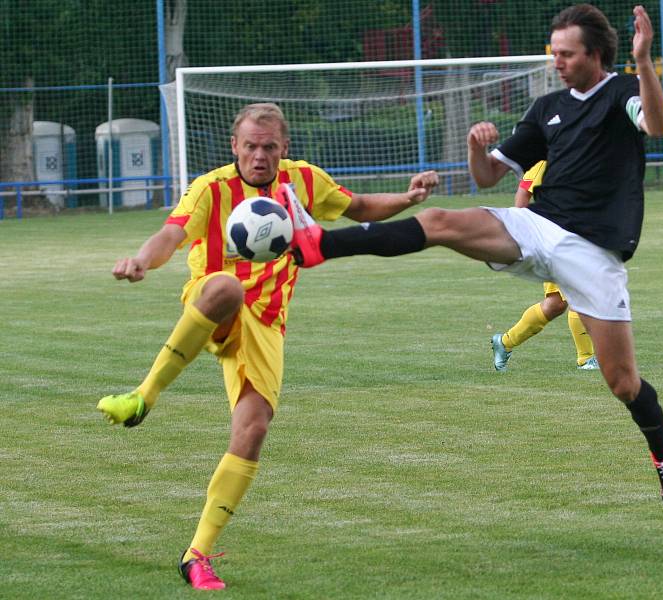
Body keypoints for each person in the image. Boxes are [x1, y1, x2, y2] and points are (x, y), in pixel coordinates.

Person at [285, 4, 663, 511]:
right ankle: (319, 244)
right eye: (553, 52)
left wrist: (645, 61)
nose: (557, 61)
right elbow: (487, 178)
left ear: (595, 54)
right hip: (539, 225)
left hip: (594, 253)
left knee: (623, 382)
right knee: (440, 223)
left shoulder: (623, 91)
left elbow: (656, 125)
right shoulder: (547, 107)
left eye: (566, 53)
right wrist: (478, 146)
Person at [96, 102, 438, 590]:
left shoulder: (301, 181)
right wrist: (141, 261)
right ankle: (143, 396)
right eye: (250, 146)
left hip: (267, 323)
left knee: (252, 431)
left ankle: (197, 554)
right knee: (227, 288)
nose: (259, 156)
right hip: (211, 303)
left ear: (285, 148)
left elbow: (357, 207)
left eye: (269, 147)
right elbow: (170, 233)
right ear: (234, 146)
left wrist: (407, 198)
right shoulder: (211, 189)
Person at [490, 160, 598, 372]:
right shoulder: (545, 162)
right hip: (554, 242)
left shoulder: (578, 155)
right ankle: (586, 359)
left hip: (575, 238)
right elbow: (522, 197)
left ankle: (505, 342)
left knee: (555, 304)